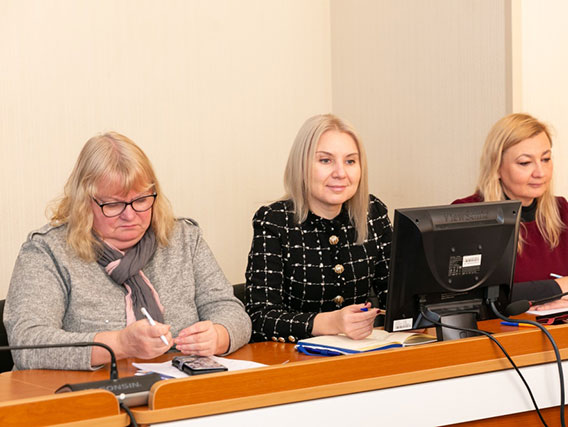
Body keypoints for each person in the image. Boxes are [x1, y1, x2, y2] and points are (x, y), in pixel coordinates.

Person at [5, 132, 251, 370]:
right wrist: (119, 344)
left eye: (141, 200)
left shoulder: (183, 238)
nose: (130, 216)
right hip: (85, 392)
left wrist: (219, 335)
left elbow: (232, 313)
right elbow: (27, 344)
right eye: (114, 204)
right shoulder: (48, 252)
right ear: (84, 203)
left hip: (178, 387)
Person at [453, 113, 568, 310]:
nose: (540, 172)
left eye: (545, 159)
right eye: (525, 163)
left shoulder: (562, 213)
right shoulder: (467, 215)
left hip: (551, 328)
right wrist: (557, 288)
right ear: (496, 167)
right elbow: (465, 298)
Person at [245, 114, 392, 342]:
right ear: (301, 166)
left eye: (350, 161)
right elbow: (260, 317)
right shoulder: (274, 221)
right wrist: (331, 323)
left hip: (362, 351)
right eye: (325, 160)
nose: (340, 173)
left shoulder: (372, 212)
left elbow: (396, 296)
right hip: (294, 356)